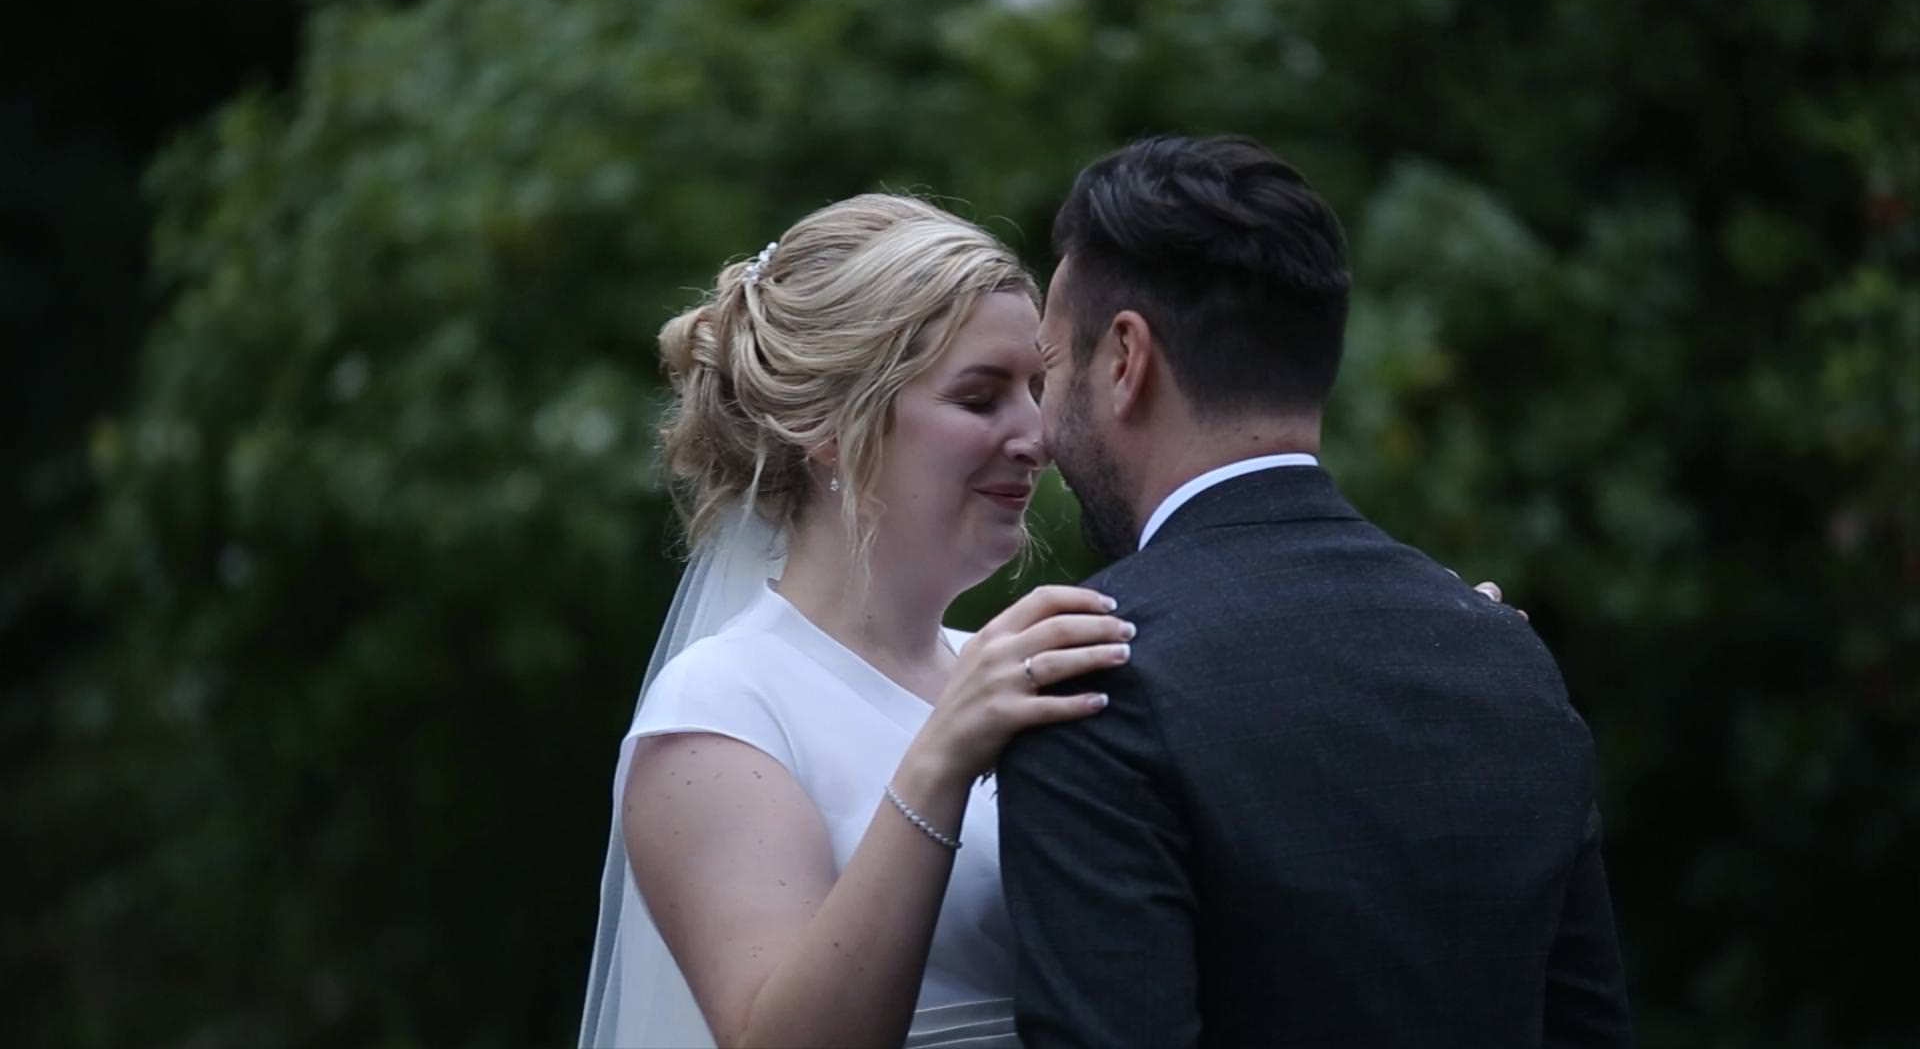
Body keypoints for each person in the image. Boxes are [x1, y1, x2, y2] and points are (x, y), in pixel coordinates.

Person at [996, 134, 1632, 1047]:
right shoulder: (1505, 654)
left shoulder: (1097, 677)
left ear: (1126, 357)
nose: (1043, 432)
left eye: (1050, 371)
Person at [578, 193, 1136, 1048]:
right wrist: (940, 758)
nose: (1038, 436)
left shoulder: (991, 668)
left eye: (1035, 388)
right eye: (981, 397)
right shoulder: (721, 709)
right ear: (828, 426)